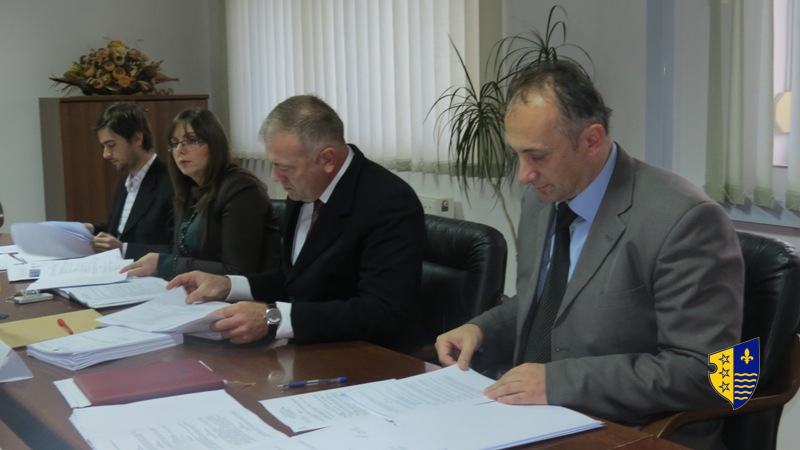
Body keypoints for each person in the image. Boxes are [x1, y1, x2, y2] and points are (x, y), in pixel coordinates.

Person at [434, 60, 743, 450]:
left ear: (592, 140)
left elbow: (712, 372)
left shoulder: (684, 220)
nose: (524, 175)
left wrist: (558, 382)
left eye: (537, 156)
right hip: (531, 420)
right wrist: (481, 331)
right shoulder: (542, 201)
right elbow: (546, 305)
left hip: (634, 431)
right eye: (518, 155)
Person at [166, 95, 425, 348]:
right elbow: (294, 280)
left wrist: (273, 318)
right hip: (307, 348)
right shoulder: (305, 190)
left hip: (366, 356)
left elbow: (381, 312)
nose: (275, 177)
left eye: (284, 167)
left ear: (327, 159)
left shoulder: (388, 202)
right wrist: (228, 285)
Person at [121, 108, 281, 279]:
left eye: (191, 140)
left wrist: (167, 264)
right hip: (197, 291)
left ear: (214, 144)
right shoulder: (189, 190)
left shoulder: (242, 190)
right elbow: (181, 254)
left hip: (243, 294)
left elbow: (238, 272)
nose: (179, 150)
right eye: (174, 143)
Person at [85, 102, 174, 260]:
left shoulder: (171, 184)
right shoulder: (125, 183)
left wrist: (124, 249)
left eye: (111, 145)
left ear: (137, 139)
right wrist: (90, 229)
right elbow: (121, 231)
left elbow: (177, 251)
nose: (106, 154)